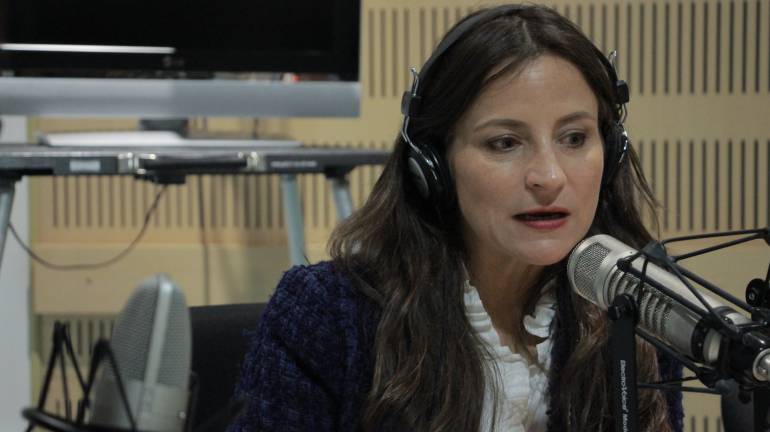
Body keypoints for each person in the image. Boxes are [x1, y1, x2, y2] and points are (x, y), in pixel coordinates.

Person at [229, 4, 683, 431]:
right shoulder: (327, 315)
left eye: (575, 138)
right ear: (433, 165)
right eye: (504, 143)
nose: (549, 177)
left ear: (611, 151)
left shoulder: (638, 306)